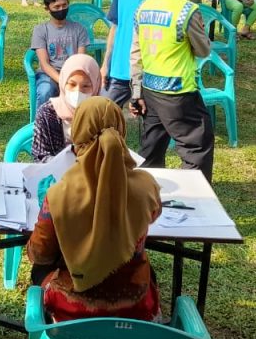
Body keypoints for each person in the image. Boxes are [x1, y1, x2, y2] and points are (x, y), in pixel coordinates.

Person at [27, 97, 162, 322]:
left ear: (78, 135)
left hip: (72, 309)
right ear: (121, 131)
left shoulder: (59, 194)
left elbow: (40, 254)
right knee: (148, 268)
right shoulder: (147, 186)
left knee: (39, 271)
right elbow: (153, 214)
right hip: (135, 306)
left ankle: (46, 331)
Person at [129, 0, 214, 179]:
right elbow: (203, 50)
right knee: (196, 147)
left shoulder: (143, 7)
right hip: (179, 93)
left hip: (150, 90)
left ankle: (144, 191)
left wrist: (136, 92)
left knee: (152, 148)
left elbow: (135, 54)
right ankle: (195, 195)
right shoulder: (187, 10)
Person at [101, 0, 166, 107]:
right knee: (103, 113)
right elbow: (115, 26)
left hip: (154, 71)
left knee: (151, 120)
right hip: (121, 68)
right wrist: (106, 64)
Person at [32, 53, 101, 163]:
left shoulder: (102, 115)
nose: (78, 92)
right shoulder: (47, 114)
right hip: (55, 172)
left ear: (96, 86)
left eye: (86, 86)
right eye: (72, 84)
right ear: (63, 82)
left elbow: (111, 153)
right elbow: (40, 156)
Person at [31, 0, 90, 110]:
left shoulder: (79, 29)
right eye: (56, 7)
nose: (61, 9)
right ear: (47, 9)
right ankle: (42, 121)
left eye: (64, 5)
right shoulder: (40, 30)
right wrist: (62, 81)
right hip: (48, 74)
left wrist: (72, 80)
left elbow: (81, 60)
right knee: (46, 91)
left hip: (74, 73)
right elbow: (45, 64)